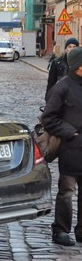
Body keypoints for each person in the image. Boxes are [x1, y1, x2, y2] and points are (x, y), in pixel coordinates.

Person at [42, 46, 82, 246]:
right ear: (78, 67)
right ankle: (60, 230)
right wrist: (70, 132)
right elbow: (48, 118)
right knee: (66, 191)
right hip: (71, 148)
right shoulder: (62, 87)